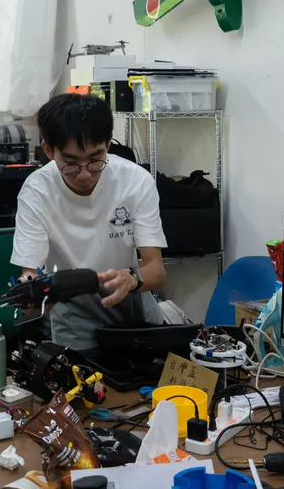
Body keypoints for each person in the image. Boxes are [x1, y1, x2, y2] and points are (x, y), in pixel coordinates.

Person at [11, 93, 167, 351]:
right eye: (70, 163)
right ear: (48, 150)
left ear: (108, 143)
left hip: (134, 308)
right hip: (74, 316)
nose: (84, 174)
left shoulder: (136, 181)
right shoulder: (37, 191)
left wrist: (131, 279)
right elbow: (30, 273)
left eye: (95, 160)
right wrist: (31, 294)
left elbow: (156, 270)